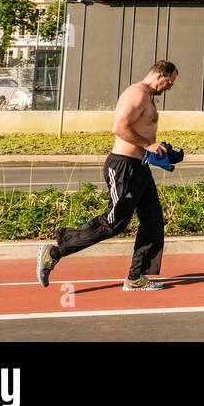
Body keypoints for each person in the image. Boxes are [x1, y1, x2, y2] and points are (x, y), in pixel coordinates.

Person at [36, 60, 179, 291]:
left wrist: (156, 149)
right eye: (170, 82)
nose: (170, 86)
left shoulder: (148, 97)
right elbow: (119, 127)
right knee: (114, 224)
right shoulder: (137, 94)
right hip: (123, 166)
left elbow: (140, 129)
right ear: (160, 75)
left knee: (153, 220)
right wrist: (147, 145)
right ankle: (54, 252)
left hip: (139, 166)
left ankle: (136, 277)